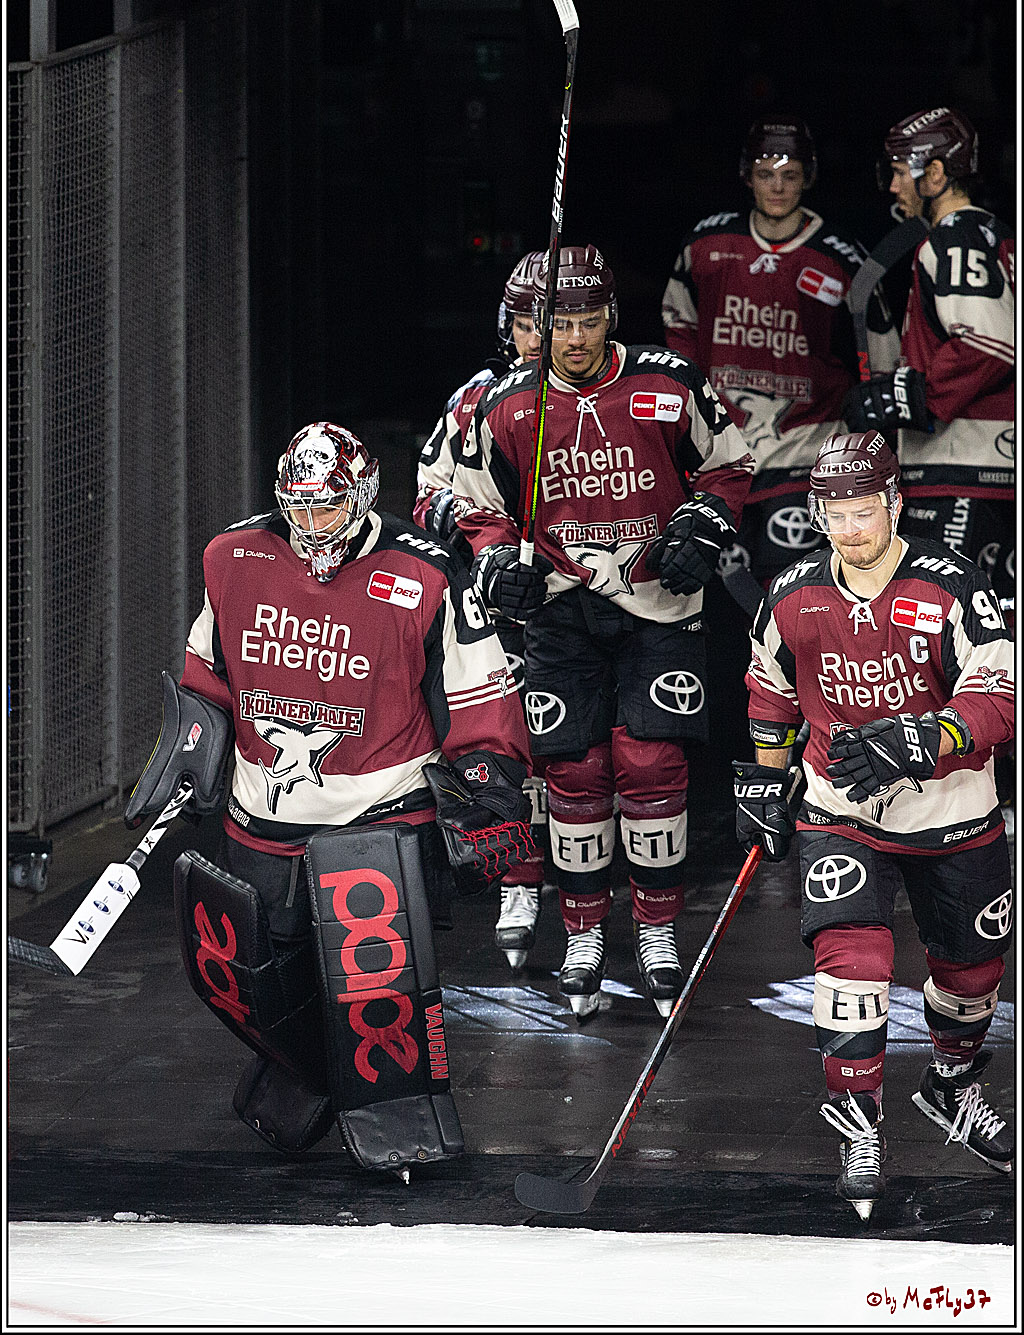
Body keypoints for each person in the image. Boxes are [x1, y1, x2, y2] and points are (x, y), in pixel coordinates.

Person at [125, 422, 533, 1175]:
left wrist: (491, 790)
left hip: (379, 819)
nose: (313, 525)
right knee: (261, 986)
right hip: (262, 821)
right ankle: (307, 1076)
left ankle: (401, 1114)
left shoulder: (428, 573)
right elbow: (207, 679)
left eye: (328, 507)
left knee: (378, 993)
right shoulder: (233, 556)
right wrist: (191, 742)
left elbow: (483, 700)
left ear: (364, 493)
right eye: (299, 508)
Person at [452, 245, 755, 1019]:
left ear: (611, 316)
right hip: (558, 609)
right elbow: (476, 506)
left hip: (659, 603)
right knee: (576, 773)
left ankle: (657, 931)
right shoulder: (507, 404)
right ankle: (583, 932)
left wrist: (706, 521)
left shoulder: (668, 380)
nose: (576, 338)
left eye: (588, 321)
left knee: (651, 763)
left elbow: (728, 465)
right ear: (536, 325)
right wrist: (494, 568)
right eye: (560, 323)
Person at [736, 429, 1014, 1221]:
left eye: (865, 511)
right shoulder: (791, 591)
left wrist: (925, 735)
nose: (851, 528)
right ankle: (862, 1131)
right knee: (851, 972)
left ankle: (951, 1087)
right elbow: (769, 688)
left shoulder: (953, 587)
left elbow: (1001, 695)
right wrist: (763, 772)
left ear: (895, 502)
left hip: (954, 814)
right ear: (817, 511)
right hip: (842, 813)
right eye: (836, 513)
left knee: (971, 978)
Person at [661, 118, 896, 584]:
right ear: (746, 175)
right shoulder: (706, 243)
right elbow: (678, 326)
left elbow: (880, 354)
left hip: (806, 454)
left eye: (790, 175)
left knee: (794, 592)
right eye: (766, 173)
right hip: (723, 452)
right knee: (712, 599)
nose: (777, 186)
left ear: (808, 177)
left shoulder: (844, 256)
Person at [415, 252, 550, 969]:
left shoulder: (606, 396)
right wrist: (485, 543)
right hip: (499, 603)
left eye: (550, 323)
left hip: (589, 596)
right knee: (508, 743)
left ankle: (594, 900)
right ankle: (518, 882)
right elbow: (427, 492)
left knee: (590, 758)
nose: (537, 337)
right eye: (525, 323)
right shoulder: (477, 397)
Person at [843, 107, 1015, 610]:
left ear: (935, 173)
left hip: (966, 470)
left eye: (900, 171)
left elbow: (989, 342)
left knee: (957, 633)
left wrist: (911, 395)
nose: (893, 187)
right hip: (991, 467)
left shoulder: (955, 235)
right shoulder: (997, 236)